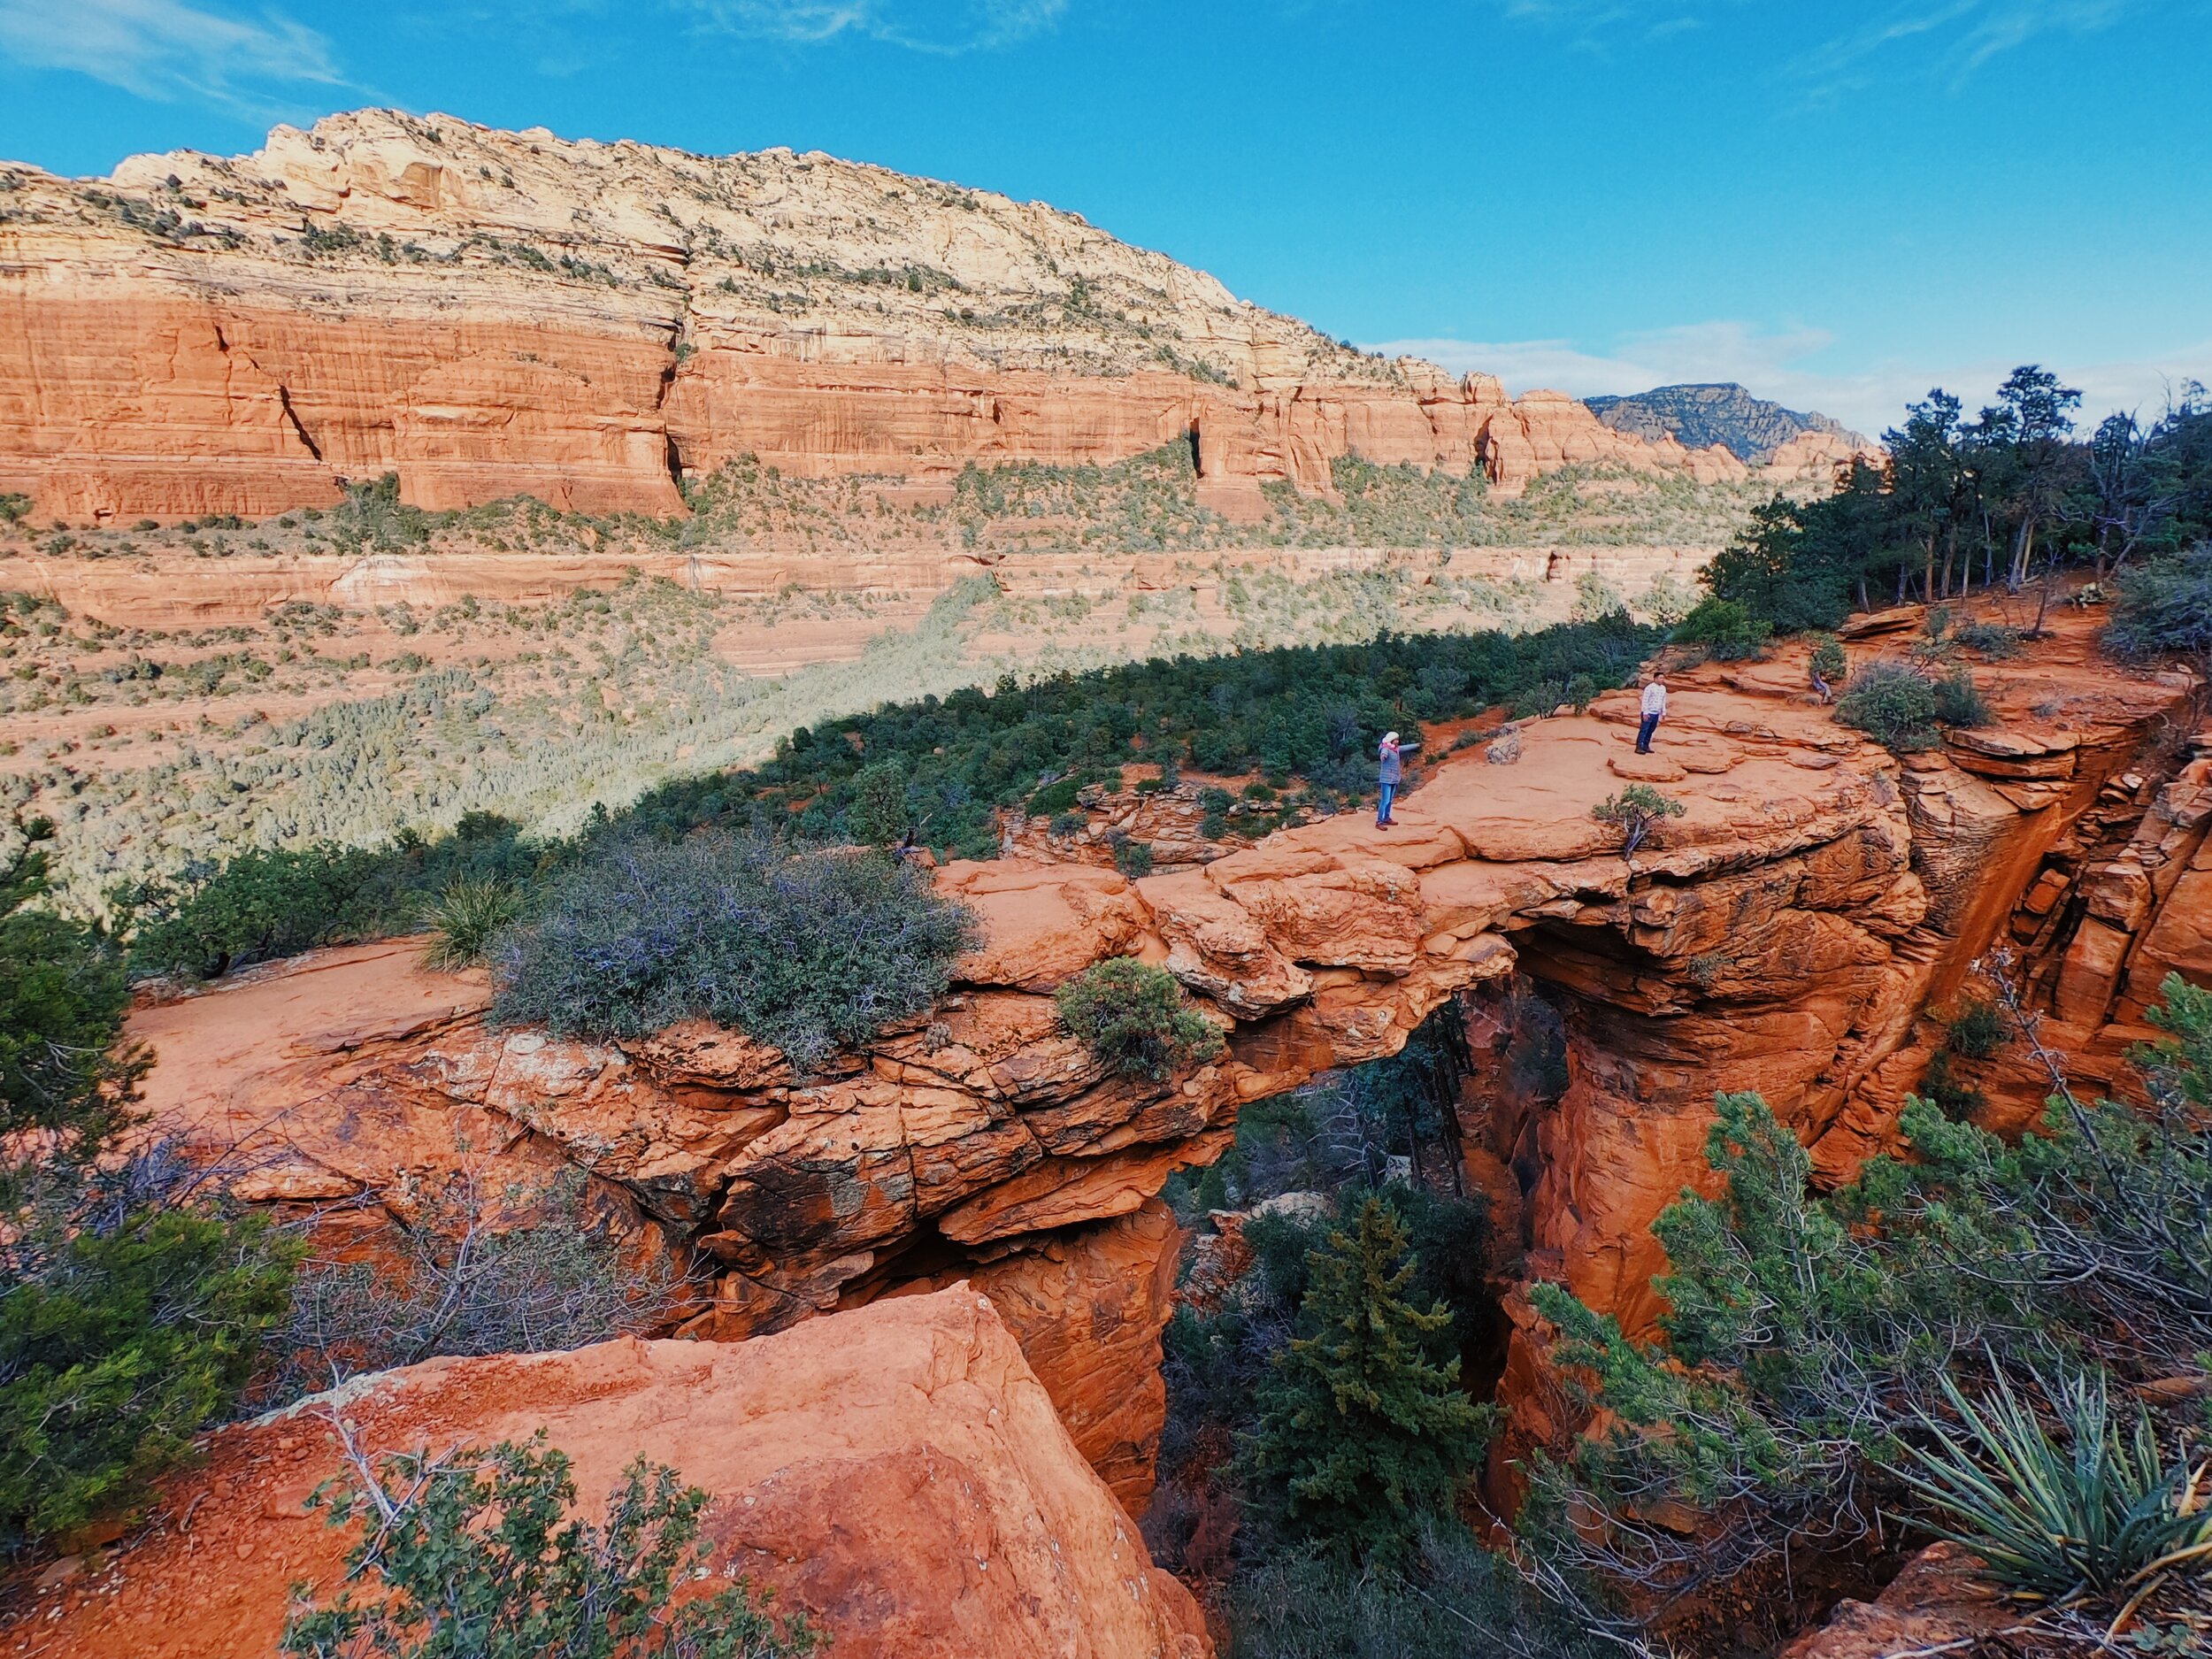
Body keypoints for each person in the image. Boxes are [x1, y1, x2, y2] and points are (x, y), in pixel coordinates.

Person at [1376, 730, 1418, 828]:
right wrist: (1383, 756)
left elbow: (1405, 748)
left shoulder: (1395, 749)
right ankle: (1379, 822)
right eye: (1396, 740)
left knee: (1390, 800)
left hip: (1394, 778)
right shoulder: (1385, 748)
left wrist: (1416, 745)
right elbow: (1383, 753)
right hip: (1386, 779)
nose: (1398, 741)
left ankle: (1386, 818)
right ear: (1391, 740)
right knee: (1385, 800)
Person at [1635, 673, 1667, 753]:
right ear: (1655, 679)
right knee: (1644, 730)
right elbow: (1645, 700)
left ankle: (1646, 746)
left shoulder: (1663, 688)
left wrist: (1663, 712)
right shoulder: (1649, 688)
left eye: (1663, 678)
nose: (1662, 680)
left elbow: (1663, 700)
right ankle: (1639, 747)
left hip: (1656, 713)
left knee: (1651, 730)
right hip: (1649, 712)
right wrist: (1645, 712)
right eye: (1660, 678)